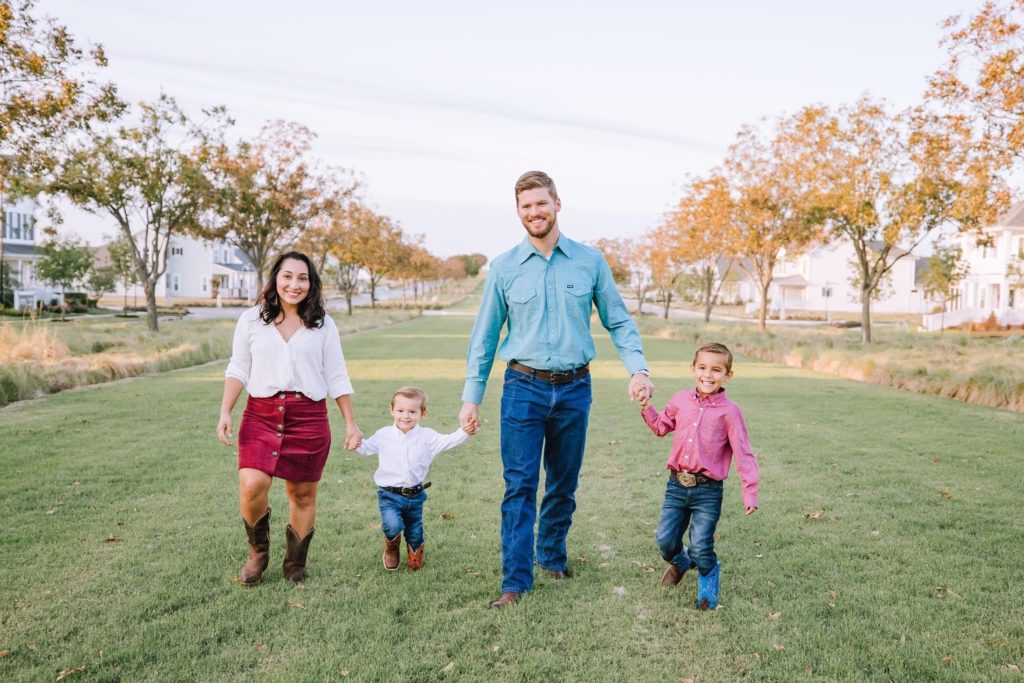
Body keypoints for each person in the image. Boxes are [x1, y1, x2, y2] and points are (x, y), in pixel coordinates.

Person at [459, 170, 654, 609]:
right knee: (520, 485)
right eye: (526, 207)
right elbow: (485, 337)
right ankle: (515, 581)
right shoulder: (505, 267)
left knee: (563, 483)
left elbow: (618, 320)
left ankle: (551, 555)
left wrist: (637, 369)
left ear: (557, 204)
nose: (534, 213)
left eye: (540, 204)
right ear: (519, 213)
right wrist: (471, 397)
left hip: (574, 389)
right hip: (522, 388)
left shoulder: (590, 261)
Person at [216, 251, 362, 584]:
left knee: (302, 495)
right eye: (287, 276)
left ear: (311, 284)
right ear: (275, 278)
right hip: (261, 414)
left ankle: (295, 564)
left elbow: (336, 374)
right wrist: (226, 410)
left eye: (302, 278)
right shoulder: (252, 320)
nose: (294, 284)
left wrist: (350, 423)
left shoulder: (323, 324)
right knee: (252, 485)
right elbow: (238, 368)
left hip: (309, 418)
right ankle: (258, 553)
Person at [639, 342, 759, 610]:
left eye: (716, 370)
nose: (708, 375)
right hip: (676, 486)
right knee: (665, 541)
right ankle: (680, 562)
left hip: (708, 490)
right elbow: (661, 427)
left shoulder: (730, 412)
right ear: (692, 369)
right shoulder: (680, 400)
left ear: (728, 375)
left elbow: (744, 453)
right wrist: (647, 406)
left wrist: (750, 491)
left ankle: (707, 578)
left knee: (701, 546)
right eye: (702, 367)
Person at [355, 386, 472, 571]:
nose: (405, 416)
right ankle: (391, 548)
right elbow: (365, 448)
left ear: (423, 413)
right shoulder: (384, 435)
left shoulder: (427, 437)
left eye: (412, 411)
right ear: (392, 410)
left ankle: (415, 557)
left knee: (415, 530)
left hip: (416, 495)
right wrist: (356, 443)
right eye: (400, 411)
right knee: (392, 525)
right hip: (389, 494)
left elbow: (450, 440)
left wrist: (465, 431)